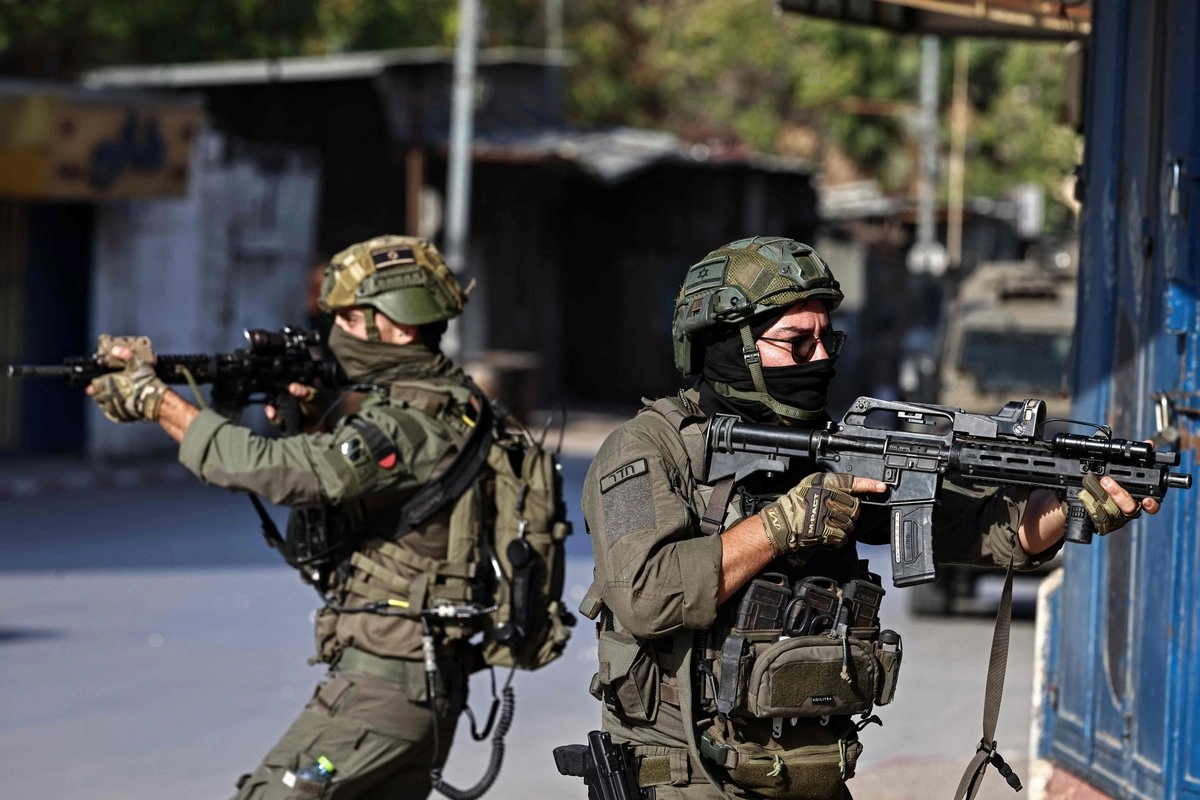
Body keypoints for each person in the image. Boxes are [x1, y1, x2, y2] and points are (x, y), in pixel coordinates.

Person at [579, 236, 1159, 800]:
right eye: (797, 343)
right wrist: (782, 526)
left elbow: (991, 530)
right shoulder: (648, 451)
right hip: (688, 781)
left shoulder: (831, 450)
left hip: (812, 776)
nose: (821, 357)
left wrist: (1070, 505)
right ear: (732, 346)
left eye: (828, 340)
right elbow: (646, 593)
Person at [86, 235, 486, 800]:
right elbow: (326, 535)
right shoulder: (448, 403)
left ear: (399, 327)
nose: (337, 334)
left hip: (385, 691)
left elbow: (270, 468)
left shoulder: (409, 424)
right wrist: (303, 422)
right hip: (419, 684)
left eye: (350, 318)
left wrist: (157, 401)